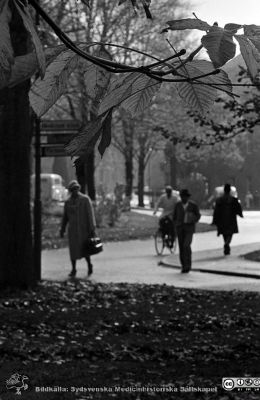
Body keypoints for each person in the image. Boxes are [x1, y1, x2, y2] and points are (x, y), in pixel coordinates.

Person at [60, 180, 96, 277]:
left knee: (85, 249)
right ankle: (73, 269)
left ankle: (89, 265)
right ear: (70, 191)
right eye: (72, 190)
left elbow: (90, 215)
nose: (74, 191)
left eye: (76, 189)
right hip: (73, 231)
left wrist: (92, 228)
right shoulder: (68, 202)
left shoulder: (85, 200)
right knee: (73, 251)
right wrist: (62, 229)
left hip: (84, 229)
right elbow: (65, 217)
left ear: (78, 189)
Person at [173, 189, 201, 273]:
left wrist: (193, 219)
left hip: (189, 228)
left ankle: (188, 264)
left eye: (185, 197)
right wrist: (176, 225)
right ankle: (183, 265)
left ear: (188, 197)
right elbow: (174, 216)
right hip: (180, 228)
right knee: (181, 247)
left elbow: (198, 215)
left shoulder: (193, 205)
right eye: (182, 197)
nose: (183, 198)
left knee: (186, 245)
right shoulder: (178, 205)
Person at [212, 183, 243, 256]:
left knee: (224, 233)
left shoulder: (219, 200)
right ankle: (227, 243)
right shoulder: (234, 199)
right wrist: (240, 214)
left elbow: (216, 210)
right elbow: (238, 208)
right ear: (229, 190)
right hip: (231, 218)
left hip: (222, 219)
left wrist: (214, 220)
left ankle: (226, 244)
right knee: (230, 233)